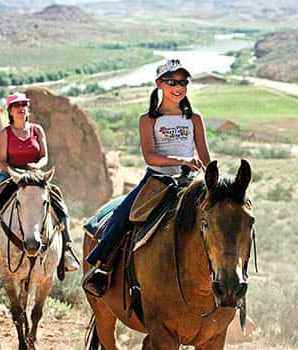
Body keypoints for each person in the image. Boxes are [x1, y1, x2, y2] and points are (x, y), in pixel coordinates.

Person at [82, 58, 211, 297]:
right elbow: (151, 157)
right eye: (172, 81)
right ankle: (102, 267)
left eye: (183, 81)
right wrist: (181, 160)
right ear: (159, 84)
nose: (179, 86)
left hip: (191, 181)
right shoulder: (148, 119)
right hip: (158, 181)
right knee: (123, 214)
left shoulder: (195, 118)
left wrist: (216, 182)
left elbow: (205, 156)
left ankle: (228, 281)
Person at [0, 92, 79, 272]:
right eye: (17, 106)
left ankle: (67, 251)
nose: (21, 108)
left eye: (24, 105)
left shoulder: (37, 130)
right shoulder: (5, 133)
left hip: (34, 176)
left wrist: (36, 165)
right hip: (10, 174)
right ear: (10, 111)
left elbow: (44, 157)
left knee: (60, 205)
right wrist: (14, 172)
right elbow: (2, 161)